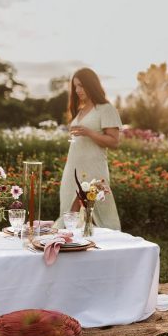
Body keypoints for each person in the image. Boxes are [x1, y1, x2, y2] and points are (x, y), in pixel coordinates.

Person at [56, 67, 122, 230]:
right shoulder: (82, 110)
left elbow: (114, 141)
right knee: (69, 212)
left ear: (91, 85)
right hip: (73, 167)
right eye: (75, 86)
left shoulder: (106, 109)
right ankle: (69, 247)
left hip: (93, 167)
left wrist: (89, 132)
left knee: (97, 212)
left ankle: (109, 247)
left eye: (81, 85)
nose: (78, 90)